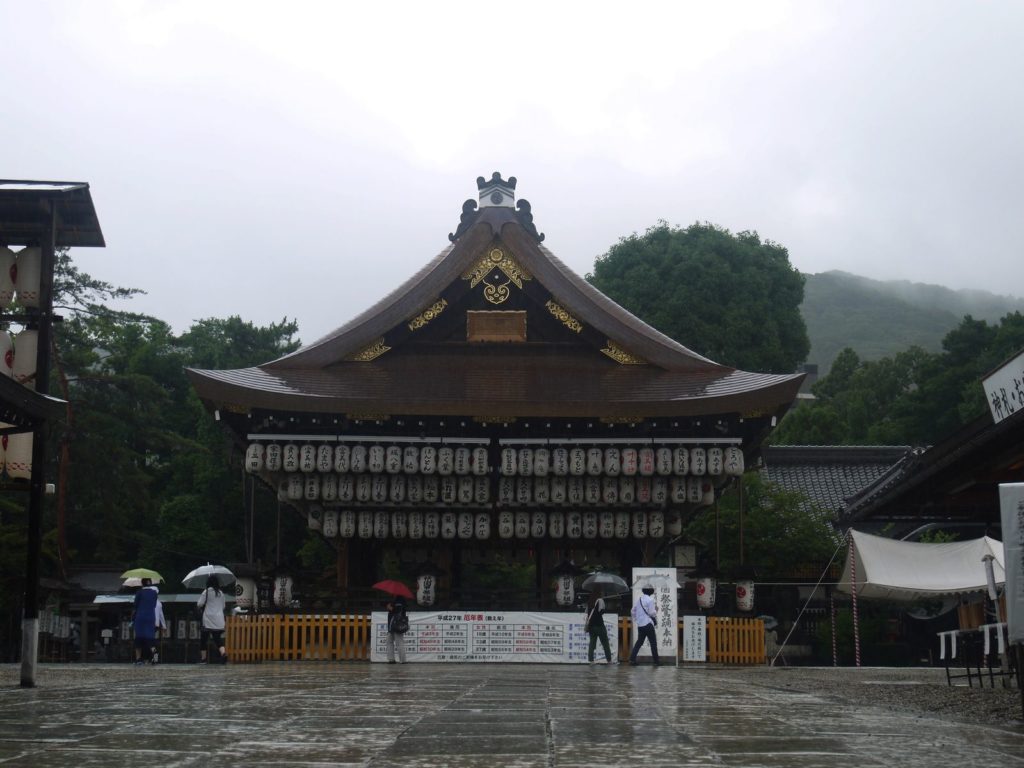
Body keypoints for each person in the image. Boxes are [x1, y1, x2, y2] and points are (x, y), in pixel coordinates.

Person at [197, 575, 227, 664]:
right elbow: (223, 606)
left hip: (208, 619)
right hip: (219, 618)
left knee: (204, 639)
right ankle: (223, 653)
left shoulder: (206, 592)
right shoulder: (221, 593)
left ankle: (203, 659)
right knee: (217, 638)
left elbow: (199, 604)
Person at [628, 585, 659, 666]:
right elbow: (652, 613)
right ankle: (656, 661)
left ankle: (632, 659)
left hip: (640, 625)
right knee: (653, 643)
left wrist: (637, 619)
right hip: (648, 624)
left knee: (639, 642)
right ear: (651, 591)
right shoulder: (650, 600)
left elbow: (632, 611)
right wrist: (656, 610)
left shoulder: (639, 599)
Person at [132, 577, 159, 665]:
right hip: (151, 617)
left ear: (142, 584)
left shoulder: (139, 592)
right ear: (150, 583)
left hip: (140, 617)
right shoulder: (154, 593)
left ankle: (138, 658)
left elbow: (135, 605)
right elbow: (154, 605)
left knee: (139, 637)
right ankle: (154, 654)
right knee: (150, 637)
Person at [585, 592, 613, 664]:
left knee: (592, 643)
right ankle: (609, 660)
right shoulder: (600, 600)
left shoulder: (590, 601)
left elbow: (587, 613)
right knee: (605, 643)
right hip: (600, 625)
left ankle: (591, 660)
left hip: (591, 626)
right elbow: (601, 612)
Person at [386, 596, 408, 664]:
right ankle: (391, 659)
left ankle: (403, 660)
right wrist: (390, 607)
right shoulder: (394, 599)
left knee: (399, 643)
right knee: (389, 642)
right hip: (391, 625)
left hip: (397, 625)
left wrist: (390, 607)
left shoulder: (400, 600)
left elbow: (398, 610)